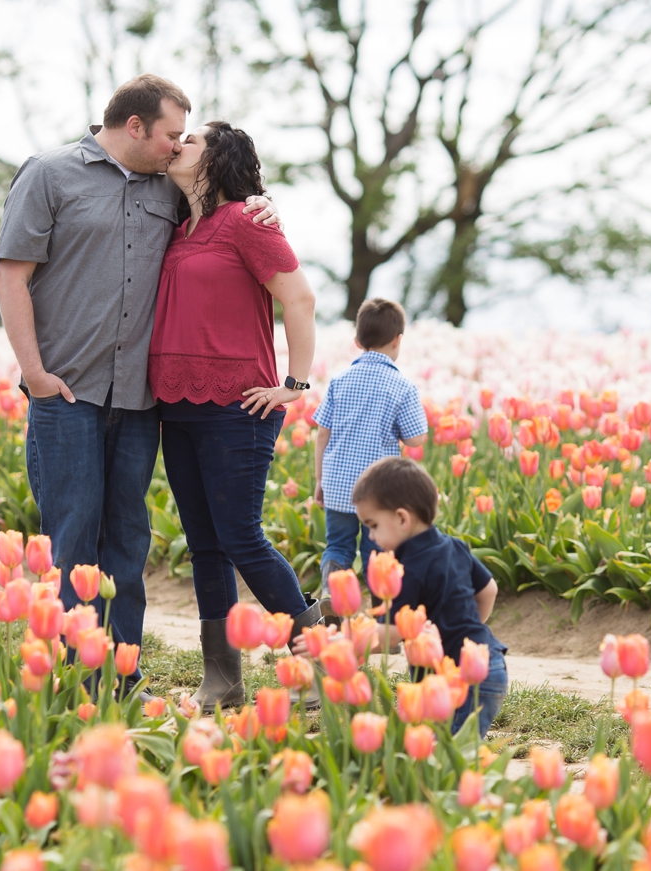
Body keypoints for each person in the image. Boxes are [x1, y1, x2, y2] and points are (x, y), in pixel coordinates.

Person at [0, 75, 278, 689]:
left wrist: (263, 205)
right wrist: (34, 373)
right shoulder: (48, 174)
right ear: (135, 127)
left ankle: (123, 670)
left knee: (128, 536)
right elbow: (11, 275)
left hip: (142, 400)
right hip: (67, 393)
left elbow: (221, 217)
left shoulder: (167, 188)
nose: (178, 147)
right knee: (73, 537)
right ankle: (77, 676)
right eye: (172, 134)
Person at [148, 120, 321, 710]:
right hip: (176, 404)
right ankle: (222, 677)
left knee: (241, 537)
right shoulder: (175, 224)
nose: (178, 145)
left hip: (237, 404)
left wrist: (293, 383)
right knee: (205, 545)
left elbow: (298, 297)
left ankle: (319, 659)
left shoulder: (248, 221)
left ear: (218, 158)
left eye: (190, 140)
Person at [350, 456, 508, 737]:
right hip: (488, 660)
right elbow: (489, 590)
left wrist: (346, 644)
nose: (371, 537)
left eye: (372, 525)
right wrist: (467, 629)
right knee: (457, 749)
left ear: (401, 518)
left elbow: (394, 632)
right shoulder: (455, 546)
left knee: (449, 755)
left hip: (460, 676)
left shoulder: (407, 568)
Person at [310, 298, 428, 618]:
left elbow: (323, 433)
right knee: (378, 550)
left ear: (357, 342)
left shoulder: (338, 381)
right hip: (380, 489)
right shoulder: (402, 386)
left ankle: (332, 597)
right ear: (398, 340)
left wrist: (320, 480)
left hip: (337, 482)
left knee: (337, 546)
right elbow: (416, 439)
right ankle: (381, 616)